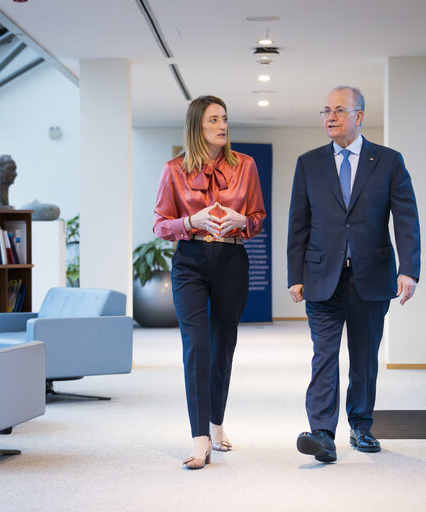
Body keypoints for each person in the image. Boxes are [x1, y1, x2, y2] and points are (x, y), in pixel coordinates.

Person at [287, 86, 420, 463]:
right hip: (321, 277)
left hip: (372, 277)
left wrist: (408, 269)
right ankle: (322, 434)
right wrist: (294, 274)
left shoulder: (389, 161)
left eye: (339, 110)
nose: (329, 116)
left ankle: (361, 426)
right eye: (325, 109)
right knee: (324, 357)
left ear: (358, 116)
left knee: (364, 358)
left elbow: (406, 219)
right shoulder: (308, 163)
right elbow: (299, 223)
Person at [153, 95, 266, 470]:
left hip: (232, 260)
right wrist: (190, 222)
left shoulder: (246, 166)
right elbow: (159, 225)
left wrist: (241, 220)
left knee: (223, 346)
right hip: (190, 263)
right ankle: (199, 436)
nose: (223, 125)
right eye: (214, 119)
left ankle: (217, 421)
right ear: (196, 126)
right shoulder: (173, 170)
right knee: (196, 346)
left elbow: (258, 218)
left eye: (225, 119)